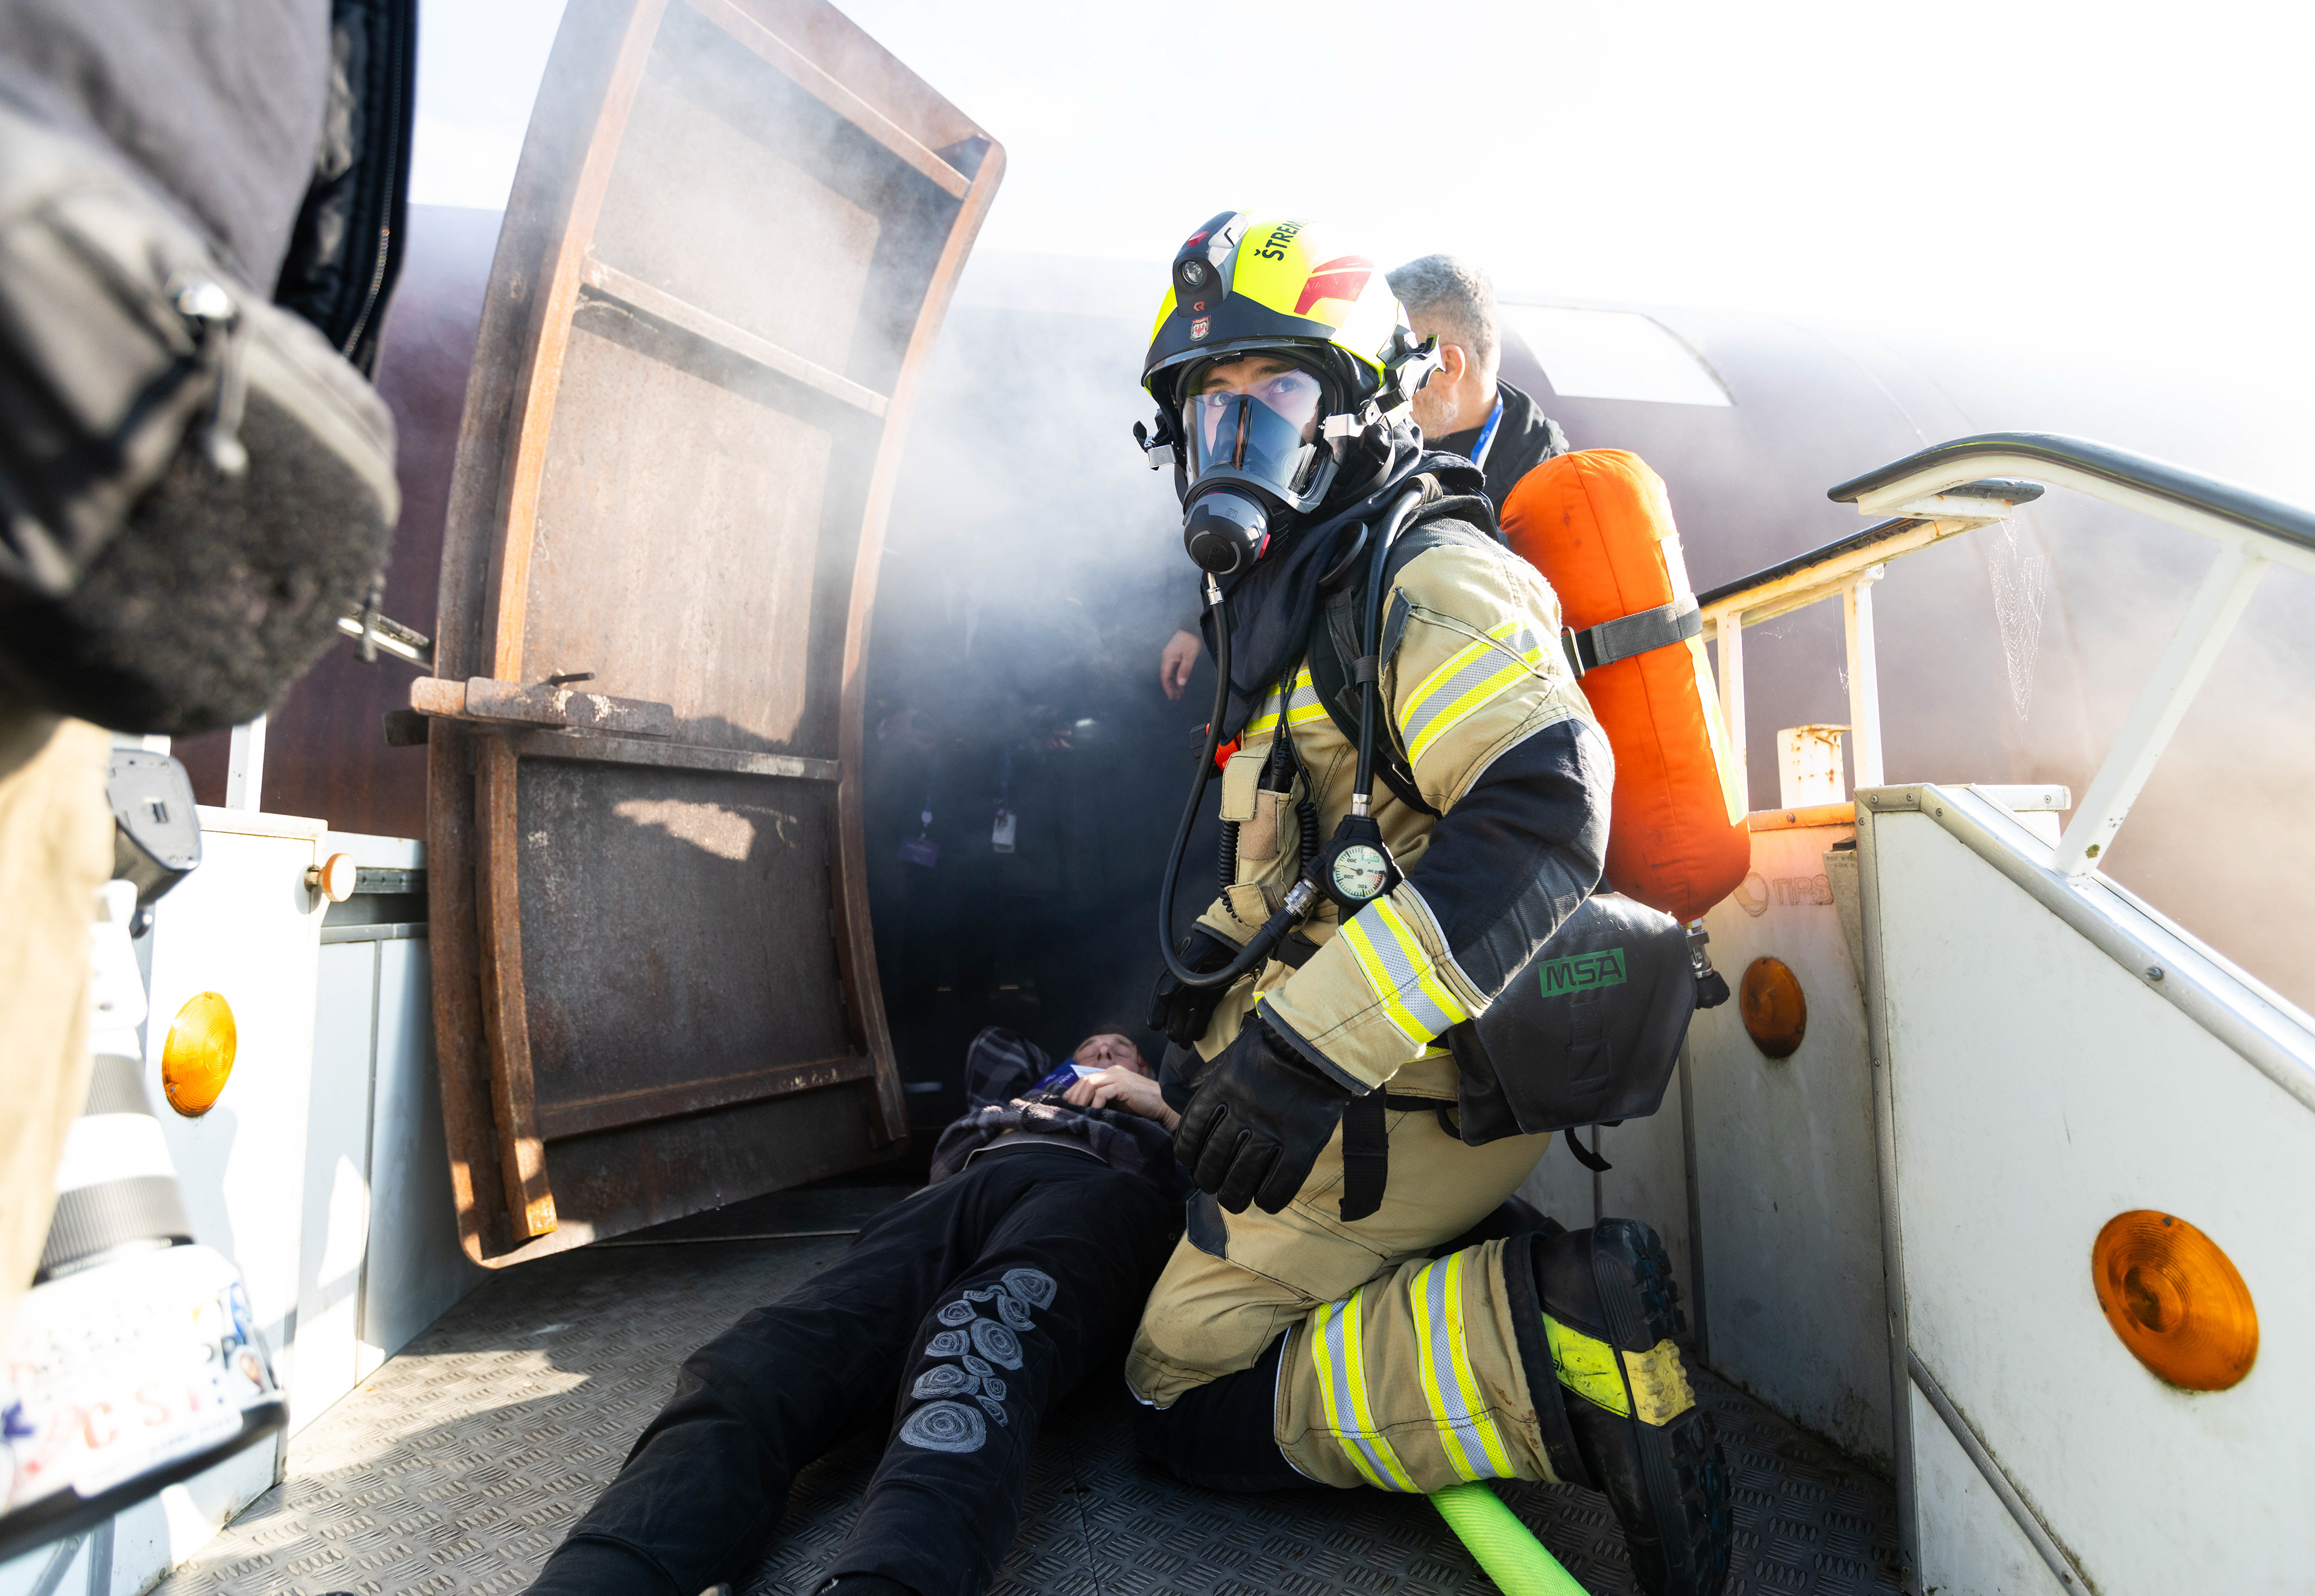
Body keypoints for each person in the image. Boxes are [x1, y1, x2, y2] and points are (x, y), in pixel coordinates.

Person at [1129, 213, 1730, 1596]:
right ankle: (1483, 1283)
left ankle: (1549, 1341)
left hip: (1393, 1095)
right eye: (1212, 405)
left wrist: (1294, 1061)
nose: (1239, 433)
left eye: (1276, 392)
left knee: (1173, 1381)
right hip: (1369, 1081)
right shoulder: (1294, 605)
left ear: (1354, 408)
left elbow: (1542, 812)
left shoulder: (1423, 573)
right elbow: (1278, 867)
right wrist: (1189, 1025)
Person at [522, 1028, 1184, 1596]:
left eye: (1123, 1047)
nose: (1106, 1051)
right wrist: (1068, 1073)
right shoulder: (1019, 1097)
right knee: (767, 1355)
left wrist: (1167, 1100)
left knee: (978, 1340)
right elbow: (995, 1044)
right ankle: (596, 1576)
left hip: (1100, 1187)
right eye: (1091, 1044)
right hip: (961, 1187)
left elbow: (1236, 1154)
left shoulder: (1164, 1104)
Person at [1156, 253, 1569, 701]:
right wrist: (1192, 621)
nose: (1378, 379)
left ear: (1447, 366)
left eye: (1394, 355)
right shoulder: (1359, 444)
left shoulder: (1547, 495)